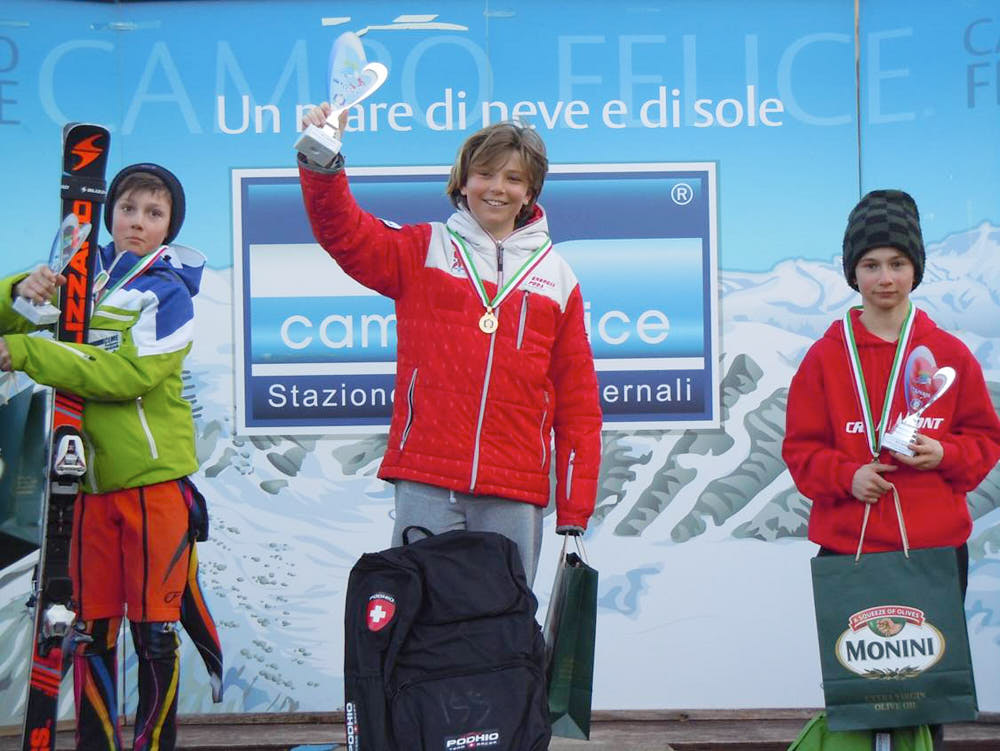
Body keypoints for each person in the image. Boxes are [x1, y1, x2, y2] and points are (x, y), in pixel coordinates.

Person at [298, 107, 602, 585]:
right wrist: (322, 156)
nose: (497, 188)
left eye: (513, 178)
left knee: (503, 620)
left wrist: (574, 508)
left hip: (514, 487)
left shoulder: (558, 278)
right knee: (419, 616)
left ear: (530, 193)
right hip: (427, 478)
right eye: (485, 174)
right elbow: (344, 232)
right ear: (463, 182)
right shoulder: (424, 249)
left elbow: (578, 403)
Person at [0, 163, 220, 751]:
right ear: (109, 214)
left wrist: (29, 352)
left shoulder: (169, 293)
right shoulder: (76, 271)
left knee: (154, 634)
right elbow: (9, 318)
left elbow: (129, 377)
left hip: (153, 485)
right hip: (83, 487)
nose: (137, 222)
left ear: (170, 226)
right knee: (90, 631)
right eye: (127, 209)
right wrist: (20, 291)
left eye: (154, 213)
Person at [782, 189, 1000, 749]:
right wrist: (846, 476)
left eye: (898, 263)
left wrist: (945, 454)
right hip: (849, 553)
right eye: (871, 264)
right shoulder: (825, 358)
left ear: (916, 269)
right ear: (852, 273)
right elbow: (801, 451)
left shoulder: (949, 353)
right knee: (860, 697)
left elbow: (985, 440)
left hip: (933, 555)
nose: (886, 278)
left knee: (925, 695)